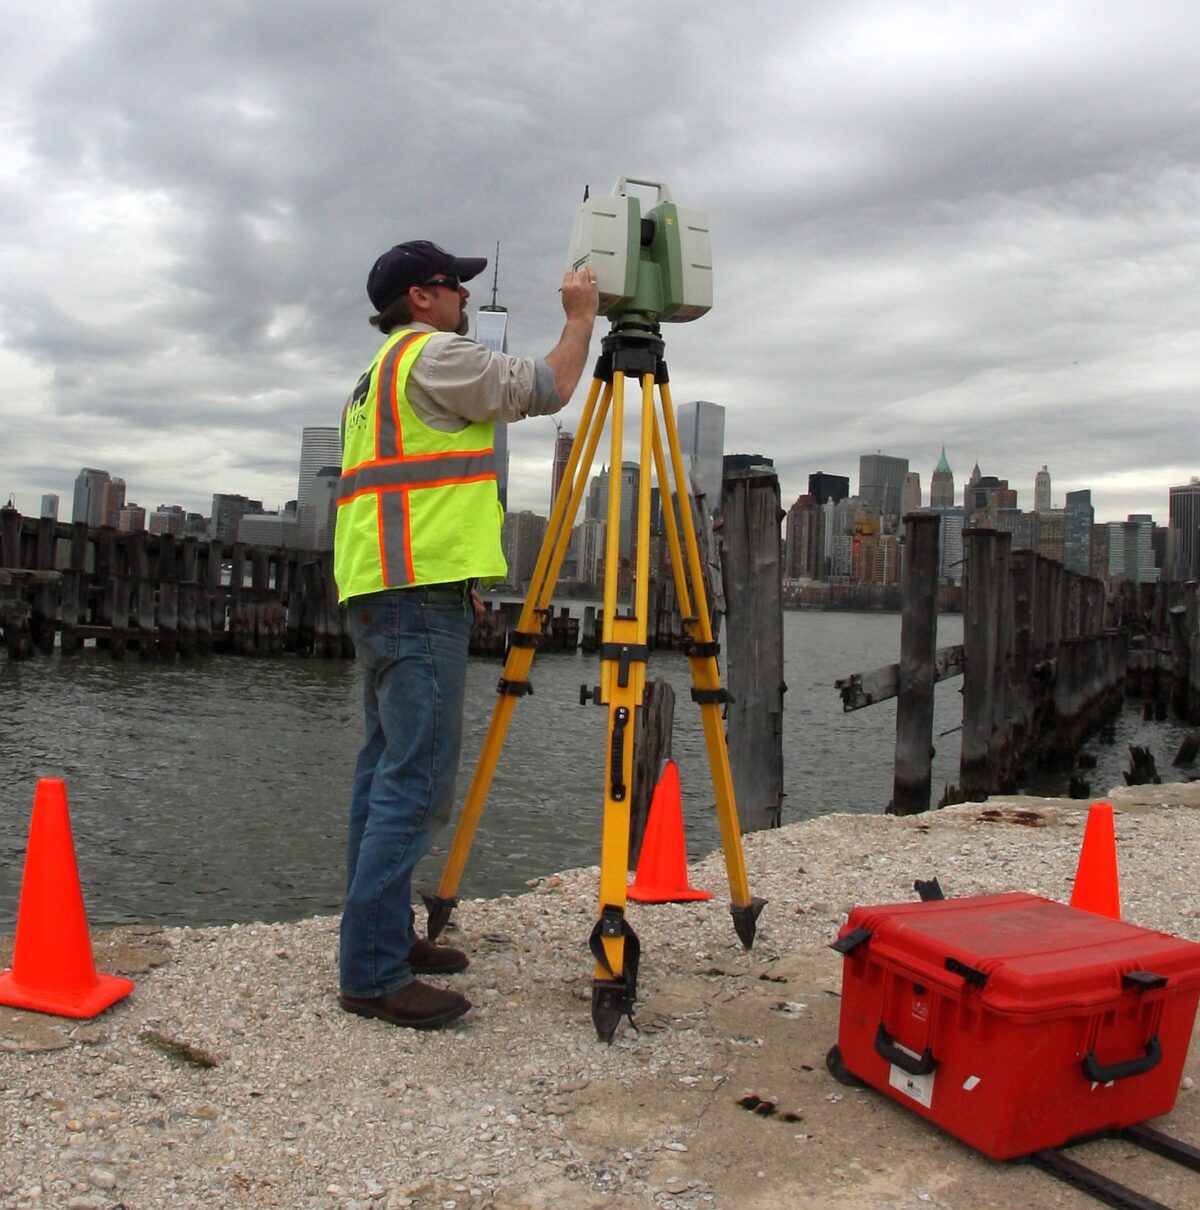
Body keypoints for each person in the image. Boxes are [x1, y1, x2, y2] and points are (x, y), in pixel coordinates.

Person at [334, 239, 599, 1029]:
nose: (463, 298)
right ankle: (372, 973)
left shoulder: (375, 377)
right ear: (421, 297)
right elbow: (548, 387)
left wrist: (463, 579)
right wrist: (581, 318)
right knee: (415, 781)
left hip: (387, 587)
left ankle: (383, 938)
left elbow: (415, 491)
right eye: (453, 285)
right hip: (414, 595)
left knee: (383, 772)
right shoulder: (435, 356)